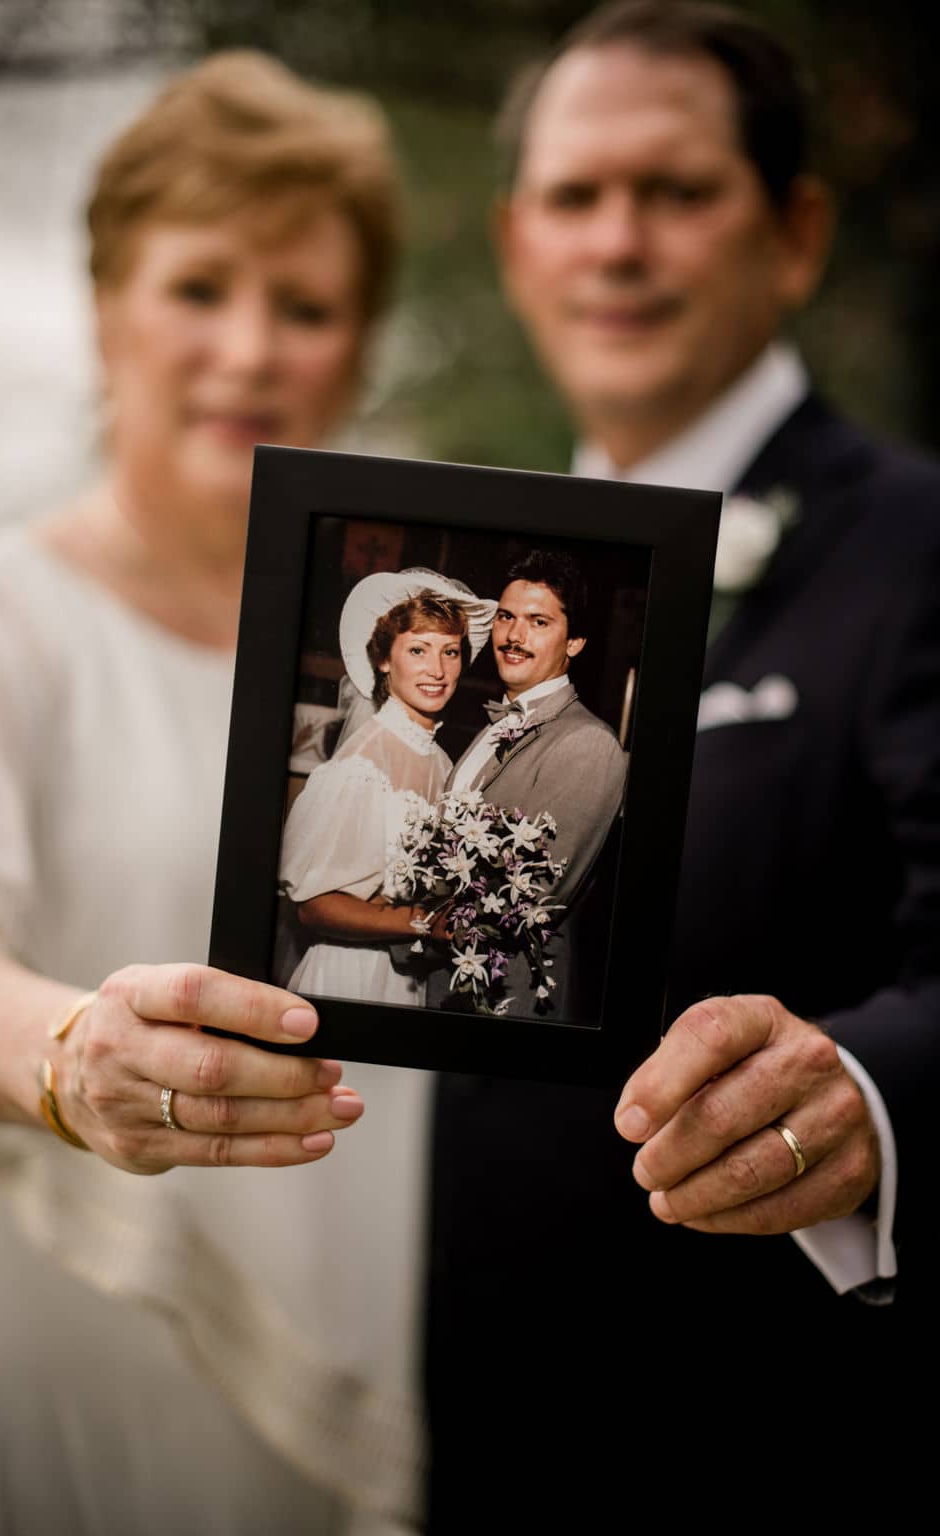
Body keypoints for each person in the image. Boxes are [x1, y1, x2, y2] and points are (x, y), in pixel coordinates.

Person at [425, 2, 940, 1520]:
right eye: (577, 200)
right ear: (520, 249)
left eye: (678, 191)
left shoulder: (920, 548)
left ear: (794, 232)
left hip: (796, 1435)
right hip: (487, 1418)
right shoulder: (481, 591)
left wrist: (869, 1096)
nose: (618, 243)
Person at [0, 52, 430, 1534]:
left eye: (307, 305)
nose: (251, 347)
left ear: (362, 341)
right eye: (201, 287)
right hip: (73, 1360)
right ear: (104, 312)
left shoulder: (414, 649)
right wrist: (70, 1053)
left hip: (368, 1308)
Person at [280, 571, 496, 1005]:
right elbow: (314, 907)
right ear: (383, 660)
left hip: (409, 983)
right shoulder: (360, 764)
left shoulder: (444, 762)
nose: (437, 670)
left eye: (450, 652)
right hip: (349, 977)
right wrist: (419, 922)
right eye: (418, 650)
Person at [440, 549, 626, 1017]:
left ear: (575, 642)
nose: (514, 636)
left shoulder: (589, 744)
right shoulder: (494, 724)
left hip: (507, 999)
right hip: (442, 984)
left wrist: (401, 925)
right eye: (506, 617)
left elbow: (532, 897)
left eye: (539, 622)